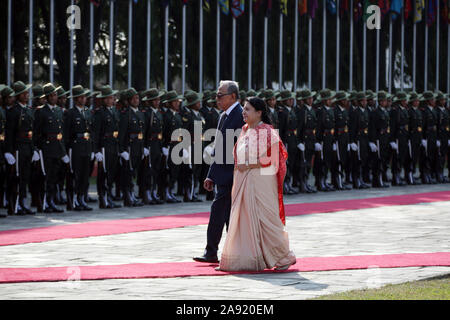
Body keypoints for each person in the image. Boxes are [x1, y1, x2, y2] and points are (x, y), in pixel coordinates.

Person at [217, 97, 296, 271]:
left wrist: (250, 165)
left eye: (247, 109)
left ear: (259, 113)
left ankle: (282, 257)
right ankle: (245, 258)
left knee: (266, 219)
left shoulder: (267, 131)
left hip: (261, 182)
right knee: (241, 218)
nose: (243, 112)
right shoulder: (245, 130)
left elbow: (275, 158)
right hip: (242, 180)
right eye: (244, 109)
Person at [193, 80, 245, 263]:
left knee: (225, 214)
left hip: (234, 174)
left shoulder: (241, 115)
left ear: (232, 96)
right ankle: (219, 252)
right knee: (223, 214)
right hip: (223, 174)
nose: (217, 98)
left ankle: (221, 252)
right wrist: (211, 175)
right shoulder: (224, 115)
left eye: (220, 95)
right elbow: (219, 148)